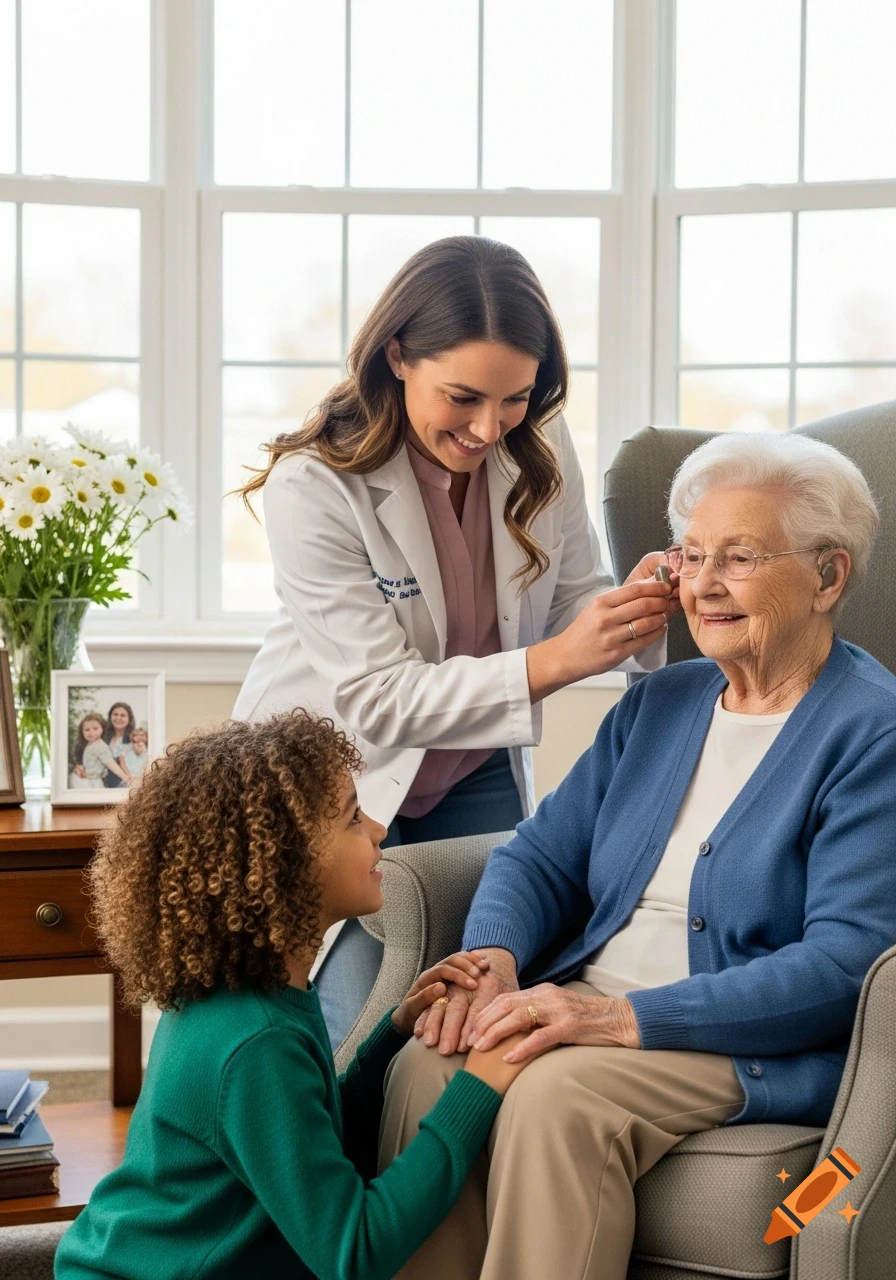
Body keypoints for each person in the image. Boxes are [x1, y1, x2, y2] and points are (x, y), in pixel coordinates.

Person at [379, 431, 896, 1280]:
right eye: (691, 556)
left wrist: (618, 1020)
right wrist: (498, 960)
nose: (705, 584)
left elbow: (845, 967)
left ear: (828, 576)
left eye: (739, 557)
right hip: (592, 1005)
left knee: (557, 1097)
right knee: (429, 1068)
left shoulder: (872, 732)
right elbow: (536, 857)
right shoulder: (661, 701)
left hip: (740, 1042)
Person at [233, 235, 677, 1048]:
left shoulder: (537, 446)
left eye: (515, 398)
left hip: (471, 771)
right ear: (398, 355)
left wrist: (638, 605)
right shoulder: (316, 484)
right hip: (337, 777)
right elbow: (378, 698)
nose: (488, 428)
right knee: (340, 1029)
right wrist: (558, 660)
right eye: (464, 397)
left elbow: (575, 602)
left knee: (468, 1014)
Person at [54, 712, 532, 1280]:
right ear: (285, 864)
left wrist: (394, 1033)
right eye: (353, 819)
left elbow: (309, 1138)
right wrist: (476, 1088)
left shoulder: (260, 996)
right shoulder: (255, 1041)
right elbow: (354, 1252)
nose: (379, 829)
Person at [69, 714, 131, 789]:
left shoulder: (100, 746)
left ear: (102, 729)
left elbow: (111, 763)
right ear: (82, 732)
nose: (91, 732)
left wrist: (125, 777)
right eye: (87, 730)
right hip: (85, 780)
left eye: (95, 729)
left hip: (93, 784)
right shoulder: (90, 744)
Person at [103, 701, 136, 788]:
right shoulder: (104, 737)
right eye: (115, 714)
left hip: (126, 784)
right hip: (105, 783)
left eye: (123, 715)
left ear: (129, 719)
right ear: (110, 717)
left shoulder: (133, 739)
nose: (118, 718)